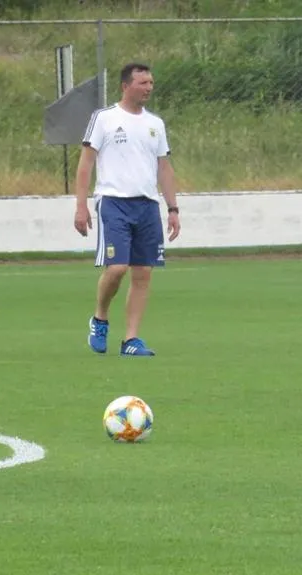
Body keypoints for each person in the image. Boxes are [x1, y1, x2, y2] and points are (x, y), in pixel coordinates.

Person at [74, 62, 181, 357]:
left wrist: (172, 208)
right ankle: (99, 317)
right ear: (125, 86)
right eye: (142, 83)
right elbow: (85, 165)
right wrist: (81, 206)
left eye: (150, 82)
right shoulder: (104, 119)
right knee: (117, 267)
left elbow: (164, 166)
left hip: (147, 205)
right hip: (113, 202)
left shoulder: (155, 124)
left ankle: (131, 340)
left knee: (143, 273)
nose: (148, 88)